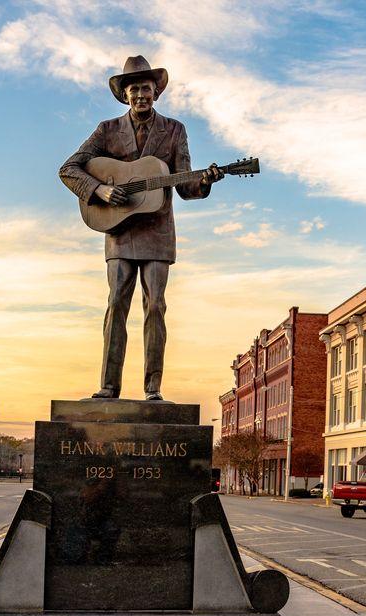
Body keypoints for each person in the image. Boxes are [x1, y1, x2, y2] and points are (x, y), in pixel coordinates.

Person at [59, 55, 222, 401]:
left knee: (155, 306)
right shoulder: (106, 131)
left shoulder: (175, 130)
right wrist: (100, 189)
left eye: (146, 88)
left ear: (156, 92)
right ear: (125, 95)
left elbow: (186, 186)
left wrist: (205, 182)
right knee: (116, 303)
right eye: (134, 89)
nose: (140, 95)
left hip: (158, 232)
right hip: (118, 231)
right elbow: (69, 169)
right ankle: (109, 386)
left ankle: (153, 388)